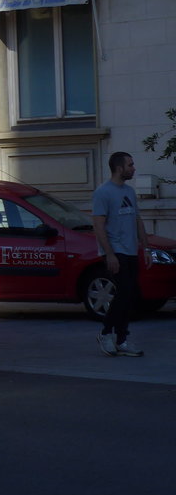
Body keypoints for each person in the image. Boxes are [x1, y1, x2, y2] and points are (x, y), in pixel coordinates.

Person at [91, 151, 148, 357]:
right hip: (116, 251)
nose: (133, 168)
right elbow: (98, 226)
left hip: (131, 250)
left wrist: (146, 247)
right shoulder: (103, 193)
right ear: (119, 168)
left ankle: (122, 340)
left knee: (129, 295)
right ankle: (107, 333)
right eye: (130, 165)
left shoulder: (129, 192)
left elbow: (137, 219)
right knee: (124, 292)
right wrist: (110, 254)